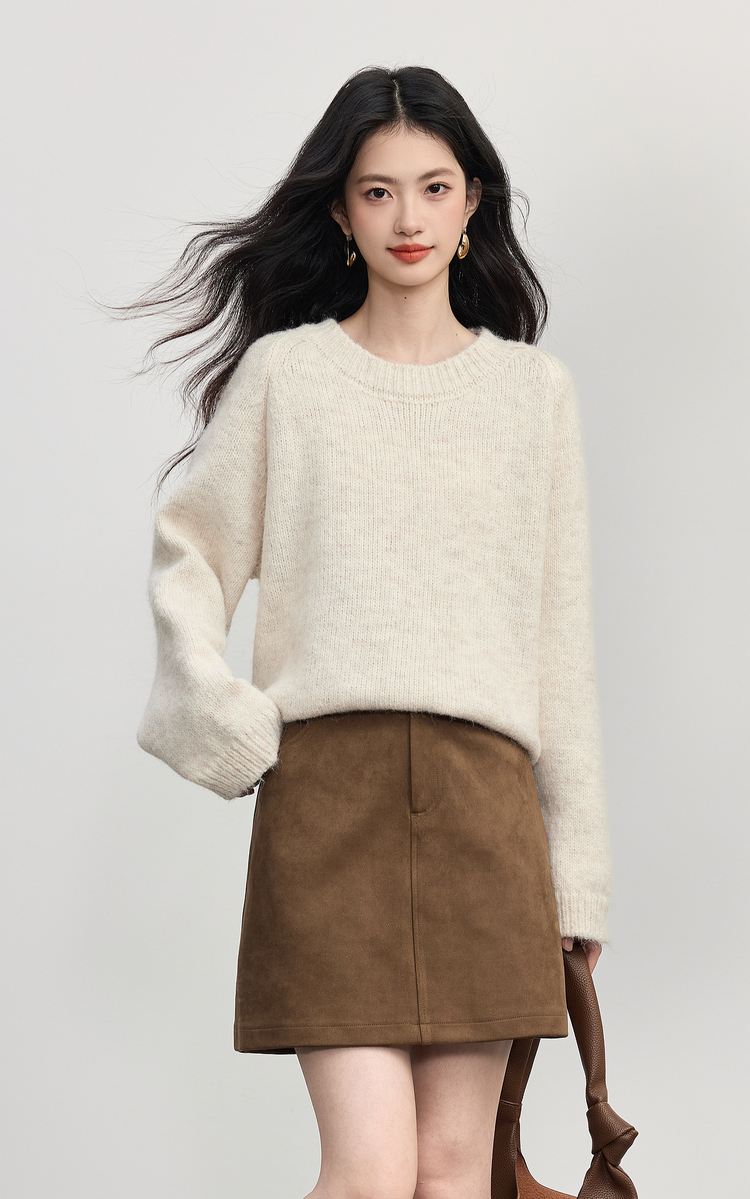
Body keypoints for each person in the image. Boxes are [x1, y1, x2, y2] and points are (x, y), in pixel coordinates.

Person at [132, 65, 611, 1199]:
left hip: (488, 813)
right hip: (329, 806)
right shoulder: (285, 378)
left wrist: (578, 874)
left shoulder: (533, 394)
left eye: (434, 187)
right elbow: (190, 552)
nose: (408, 218)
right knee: (369, 1171)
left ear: (472, 202)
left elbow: (560, 643)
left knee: (454, 1174)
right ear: (342, 213)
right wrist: (220, 718)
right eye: (377, 191)